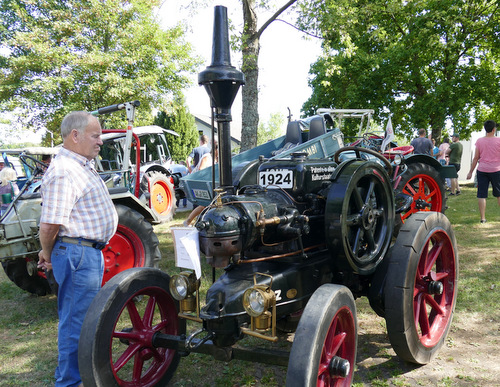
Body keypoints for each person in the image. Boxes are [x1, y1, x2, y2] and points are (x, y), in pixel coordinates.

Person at [37, 111, 118, 387]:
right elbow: (49, 226)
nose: (100, 142)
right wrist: (47, 255)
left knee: (82, 321)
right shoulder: (64, 171)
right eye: (95, 136)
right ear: (75, 136)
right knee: (76, 324)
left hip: (83, 252)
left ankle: (78, 378)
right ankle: (70, 383)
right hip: (78, 254)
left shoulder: (79, 165)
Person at [466, 120, 500, 223]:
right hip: (496, 170)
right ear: (494, 130)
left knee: (482, 194)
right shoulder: (499, 141)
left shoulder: (479, 141)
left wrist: (470, 172)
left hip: (482, 170)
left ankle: (483, 218)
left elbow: (476, 158)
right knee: (499, 194)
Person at [184, 141, 218, 226]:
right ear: (216, 150)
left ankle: (194, 221)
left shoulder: (216, 159)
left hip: (208, 183)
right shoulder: (207, 157)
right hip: (198, 182)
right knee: (204, 204)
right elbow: (201, 170)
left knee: (208, 204)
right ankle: (189, 221)